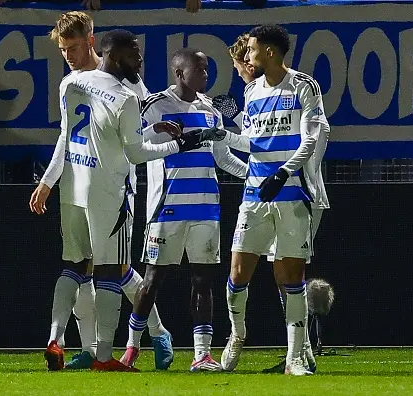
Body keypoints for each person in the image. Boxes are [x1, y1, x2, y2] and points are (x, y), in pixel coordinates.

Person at [35, 28, 218, 371]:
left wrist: (156, 129)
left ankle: (58, 339)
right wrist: (179, 143)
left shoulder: (72, 83)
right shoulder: (130, 96)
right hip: (118, 192)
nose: (140, 61)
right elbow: (134, 150)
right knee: (115, 272)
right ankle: (106, 353)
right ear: (116, 56)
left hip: (75, 184)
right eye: (135, 55)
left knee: (78, 266)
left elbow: (92, 134)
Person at [119, 48, 247, 372]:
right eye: (200, 70)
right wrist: (158, 130)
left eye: (206, 70)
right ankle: (131, 349)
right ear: (179, 73)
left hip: (206, 209)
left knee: (203, 282)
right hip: (166, 210)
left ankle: (201, 354)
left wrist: (253, 173)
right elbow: (133, 145)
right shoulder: (156, 106)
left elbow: (222, 158)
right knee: (151, 282)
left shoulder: (210, 110)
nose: (206, 76)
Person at [214, 24, 329, 376]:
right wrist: (222, 134)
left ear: (268, 51)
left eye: (250, 48)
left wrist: (283, 173)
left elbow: (310, 139)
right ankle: (237, 335)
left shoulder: (304, 86)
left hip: (293, 192)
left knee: (290, 274)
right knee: (237, 273)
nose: (246, 55)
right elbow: (252, 142)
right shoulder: (251, 92)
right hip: (255, 193)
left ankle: (295, 357)